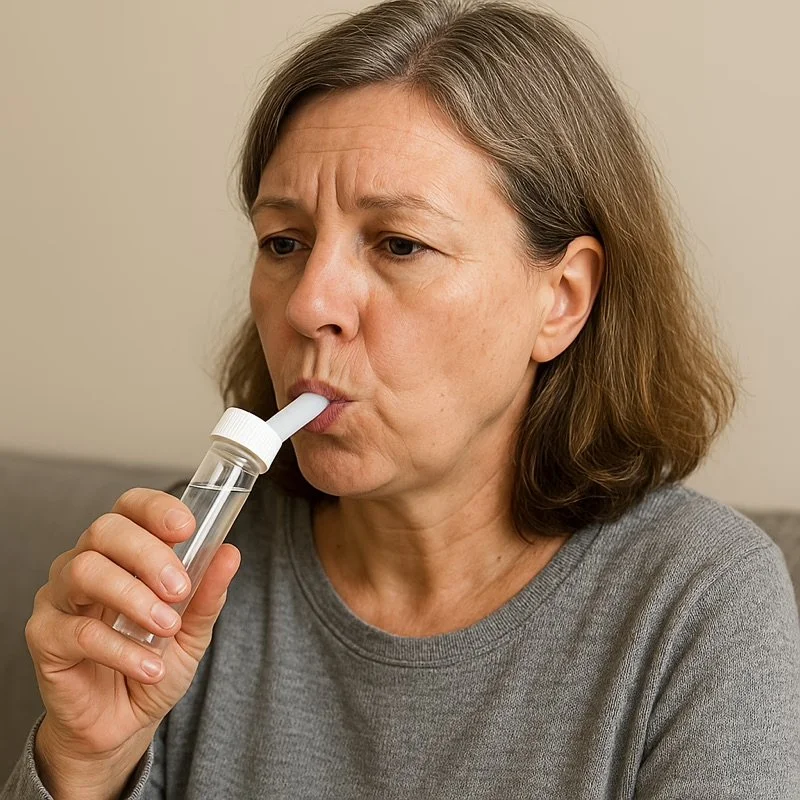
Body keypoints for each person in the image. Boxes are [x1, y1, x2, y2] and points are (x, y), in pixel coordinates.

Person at [4, 0, 799, 797]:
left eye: (399, 245)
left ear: (561, 298)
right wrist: (86, 762)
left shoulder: (699, 601)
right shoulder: (181, 574)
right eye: (284, 243)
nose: (309, 304)